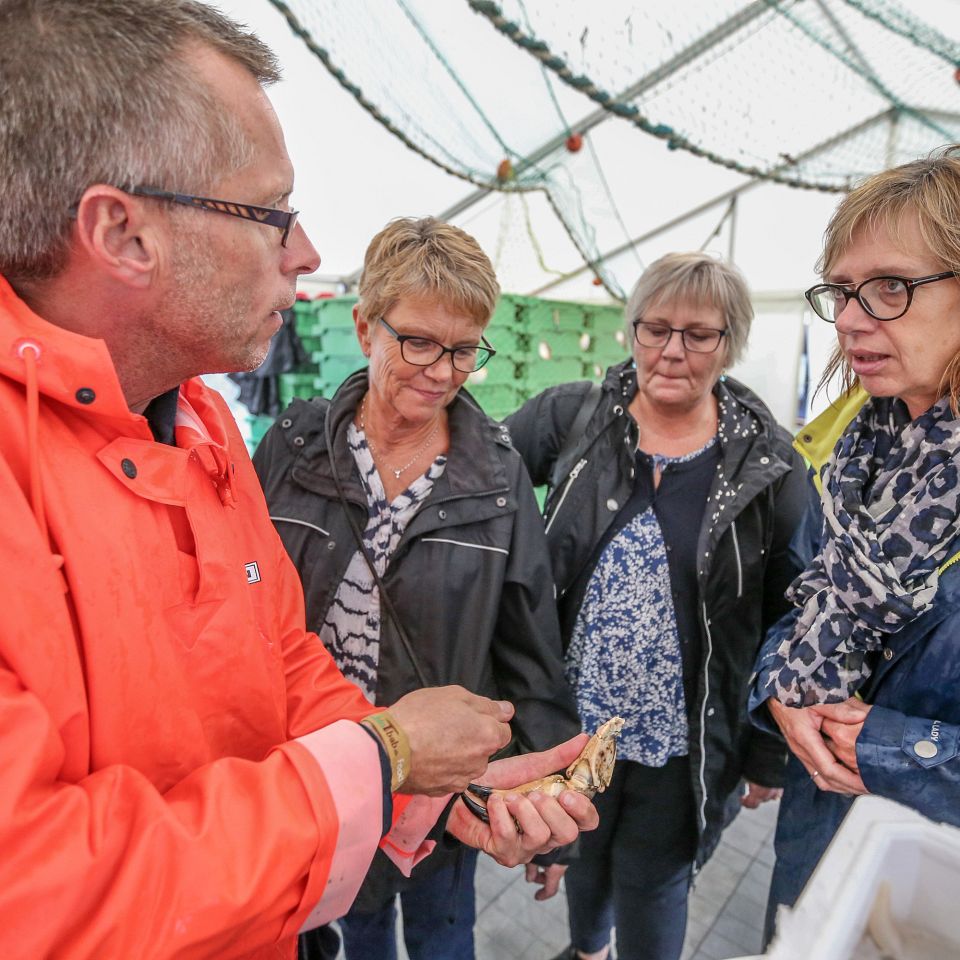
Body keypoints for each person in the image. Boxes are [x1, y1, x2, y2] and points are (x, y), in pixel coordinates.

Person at [0, 3, 600, 959]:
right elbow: (33, 894)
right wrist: (386, 754)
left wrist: (432, 790)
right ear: (123, 233)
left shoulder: (205, 432)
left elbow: (282, 659)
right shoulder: (277, 440)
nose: (306, 253)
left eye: (464, 352)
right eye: (269, 213)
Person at [253, 215, 581, 960]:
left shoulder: (497, 479)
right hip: (325, 762)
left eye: (464, 350)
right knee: (356, 923)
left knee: (441, 930)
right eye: (419, 342)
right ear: (366, 324)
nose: (441, 370)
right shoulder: (294, 446)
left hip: (440, 786)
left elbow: (531, 650)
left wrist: (552, 799)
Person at [505, 252, 808, 960]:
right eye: (655, 328)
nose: (672, 350)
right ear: (632, 331)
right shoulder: (575, 419)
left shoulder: (769, 463)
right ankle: (587, 952)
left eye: (698, 334)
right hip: (578, 721)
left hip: (683, 739)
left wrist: (769, 752)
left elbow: (794, 611)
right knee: (581, 850)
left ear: (729, 343)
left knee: (654, 880)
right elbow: (482, 481)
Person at [749, 145, 960, 942]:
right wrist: (776, 688)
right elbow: (798, 609)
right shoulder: (843, 452)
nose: (848, 319)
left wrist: (896, 745)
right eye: (841, 291)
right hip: (818, 853)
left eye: (890, 288)